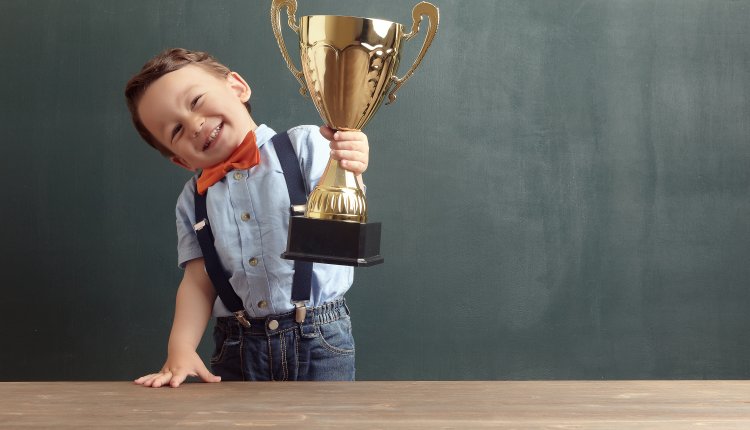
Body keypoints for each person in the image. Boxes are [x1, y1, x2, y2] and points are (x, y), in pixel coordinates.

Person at [124, 48, 369, 387]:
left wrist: (349, 168)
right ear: (180, 160)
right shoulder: (192, 201)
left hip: (317, 337)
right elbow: (199, 279)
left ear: (237, 87)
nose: (194, 125)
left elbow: (343, 243)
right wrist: (180, 347)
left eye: (195, 101)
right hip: (236, 347)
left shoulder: (307, 146)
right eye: (176, 130)